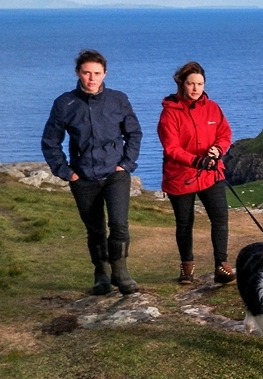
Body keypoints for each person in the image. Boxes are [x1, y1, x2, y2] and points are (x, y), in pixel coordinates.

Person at [42, 50, 142, 295]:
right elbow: (50, 142)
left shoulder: (118, 99)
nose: (91, 78)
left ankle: (121, 271)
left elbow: (134, 133)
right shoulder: (65, 103)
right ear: (78, 73)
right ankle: (101, 274)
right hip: (83, 176)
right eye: (86, 72)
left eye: (97, 73)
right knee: (95, 229)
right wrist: (66, 172)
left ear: (105, 74)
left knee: (119, 224)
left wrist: (126, 164)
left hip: (115, 173)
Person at [157, 61, 235, 285]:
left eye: (200, 84)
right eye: (191, 83)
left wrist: (218, 149)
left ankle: (222, 266)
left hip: (211, 173)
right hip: (181, 176)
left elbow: (224, 132)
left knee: (220, 218)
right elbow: (171, 148)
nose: (195, 88)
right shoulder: (169, 113)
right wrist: (197, 160)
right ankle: (187, 267)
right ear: (182, 84)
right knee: (184, 222)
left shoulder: (213, 107)